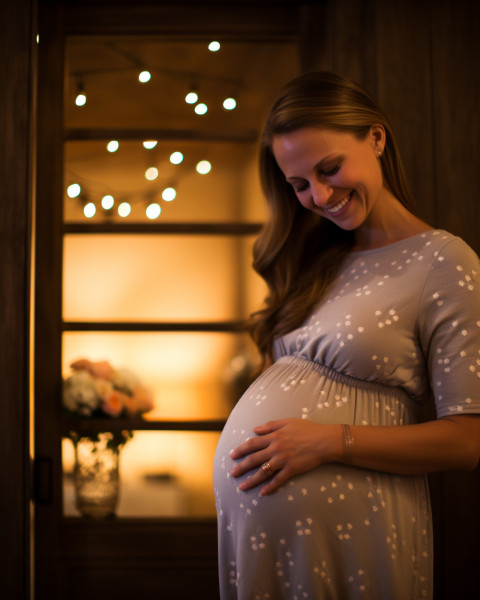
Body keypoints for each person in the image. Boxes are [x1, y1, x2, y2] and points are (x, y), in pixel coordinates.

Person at [212, 71, 480, 600]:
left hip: (357, 532)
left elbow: (468, 441)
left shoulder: (444, 262)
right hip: (264, 538)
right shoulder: (316, 258)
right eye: (300, 184)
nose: (321, 194)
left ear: (375, 138)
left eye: (329, 168)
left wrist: (331, 439)